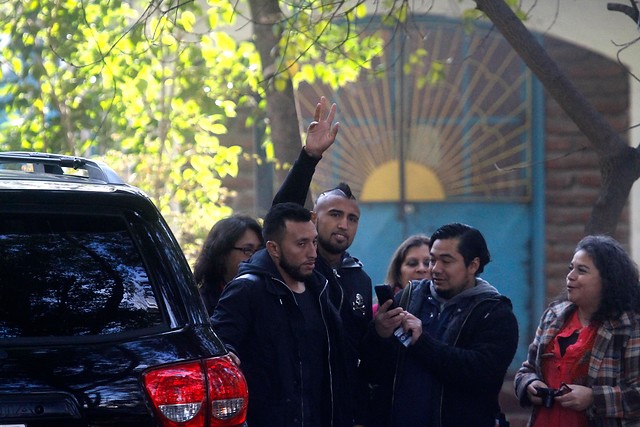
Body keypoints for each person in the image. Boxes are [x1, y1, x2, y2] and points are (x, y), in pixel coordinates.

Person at [273, 97, 373, 424]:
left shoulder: (360, 279)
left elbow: (358, 350)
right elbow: (280, 214)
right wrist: (310, 157)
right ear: (314, 217)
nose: (344, 224)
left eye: (352, 218)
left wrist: (382, 333)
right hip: (296, 404)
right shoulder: (297, 268)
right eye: (335, 214)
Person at [362, 222, 519, 427]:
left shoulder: (493, 313)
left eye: (446, 261)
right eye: (433, 260)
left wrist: (422, 342)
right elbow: (373, 371)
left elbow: (481, 374)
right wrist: (379, 334)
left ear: (473, 265)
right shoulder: (408, 299)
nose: (435, 269)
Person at [210, 202, 352, 427]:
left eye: (314, 242)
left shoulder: (320, 288)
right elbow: (217, 344)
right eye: (301, 244)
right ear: (274, 248)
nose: (312, 252)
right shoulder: (247, 289)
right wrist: (227, 353)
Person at [514, 235, 640, 427]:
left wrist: (593, 398)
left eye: (581, 270)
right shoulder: (554, 316)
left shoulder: (628, 327)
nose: (570, 276)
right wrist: (530, 385)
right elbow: (527, 369)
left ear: (608, 280)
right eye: (570, 268)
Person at [193, 214, 263, 314]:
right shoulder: (201, 306)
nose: (256, 257)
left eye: (260, 250)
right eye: (247, 250)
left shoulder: (273, 296)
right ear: (222, 254)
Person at [373, 234, 431, 315]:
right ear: (398, 273)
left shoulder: (450, 312)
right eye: (412, 263)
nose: (421, 269)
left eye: (428, 263)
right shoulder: (375, 314)